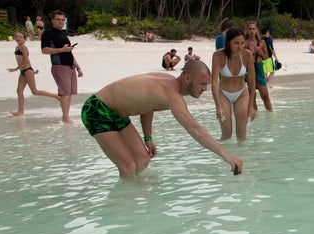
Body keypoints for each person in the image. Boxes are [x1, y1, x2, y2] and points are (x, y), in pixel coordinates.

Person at [80, 60, 243, 177]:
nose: (204, 89)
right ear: (187, 79)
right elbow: (194, 129)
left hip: (117, 114)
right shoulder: (172, 95)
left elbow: (147, 104)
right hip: (97, 109)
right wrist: (224, 155)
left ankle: (133, 196)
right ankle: (124, 210)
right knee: (128, 166)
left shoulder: (168, 83)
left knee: (143, 159)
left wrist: (148, 137)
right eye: (202, 84)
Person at [211, 28, 257, 140]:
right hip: (223, 94)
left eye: (242, 43)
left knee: (242, 135)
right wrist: (218, 106)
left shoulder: (247, 55)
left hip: (241, 93)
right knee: (227, 134)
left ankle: (243, 157)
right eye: (236, 43)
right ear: (228, 42)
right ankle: (225, 156)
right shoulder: (218, 55)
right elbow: (213, 81)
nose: (240, 47)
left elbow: (252, 82)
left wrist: (251, 105)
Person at [41, 10, 83, 124]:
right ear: (52, 20)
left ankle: (66, 116)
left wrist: (78, 68)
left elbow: (69, 53)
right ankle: (65, 118)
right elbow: (44, 50)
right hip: (59, 66)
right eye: (58, 20)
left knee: (69, 93)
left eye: (62, 20)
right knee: (64, 93)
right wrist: (62, 50)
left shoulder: (63, 34)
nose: (60, 22)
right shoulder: (48, 33)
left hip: (70, 66)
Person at [7, 31, 60, 116]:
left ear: (24, 39)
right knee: (19, 90)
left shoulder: (23, 47)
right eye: (16, 37)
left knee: (35, 91)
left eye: (20, 37)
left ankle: (56, 96)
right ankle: (20, 111)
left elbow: (26, 60)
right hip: (24, 71)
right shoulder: (17, 47)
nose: (18, 38)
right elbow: (23, 61)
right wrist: (30, 71)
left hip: (27, 70)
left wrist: (17, 69)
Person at [245, 21, 273, 111]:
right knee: (252, 98)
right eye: (250, 29)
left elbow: (266, 57)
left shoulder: (261, 42)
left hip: (259, 68)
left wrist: (260, 52)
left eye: (253, 29)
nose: (252, 31)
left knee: (265, 96)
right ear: (247, 30)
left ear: (256, 30)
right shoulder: (244, 43)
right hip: (249, 69)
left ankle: (270, 116)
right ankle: (255, 118)